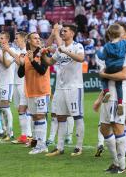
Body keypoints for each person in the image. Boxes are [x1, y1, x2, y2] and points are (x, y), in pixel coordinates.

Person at [42, 24, 85, 157]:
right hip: (60, 87)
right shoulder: (59, 49)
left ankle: (78, 147)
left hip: (74, 87)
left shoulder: (78, 46)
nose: (62, 33)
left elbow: (81, 58)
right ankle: (59, 147)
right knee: (60, 116)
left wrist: (65, 51)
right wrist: (43, 55)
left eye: (65, 31)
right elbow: (50, 62)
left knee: (77, 116)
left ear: (72, 33)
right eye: (61, 31)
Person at [18, 32, 50, 154]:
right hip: (30, 91)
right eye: (34, 38)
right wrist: (22, 63)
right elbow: (20, 74)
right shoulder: (26, 55)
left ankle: (42, 145)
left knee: (41, 116)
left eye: (38, 38)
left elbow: (42, 71)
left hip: (42, 90)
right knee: (36, 117)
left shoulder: (44, 53)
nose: (37, 40)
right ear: (29, 41)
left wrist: (32, 61)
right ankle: (39, 143)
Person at [1, 31, 33, 144]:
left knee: (25, 109)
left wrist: (8, 50)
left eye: (17, 38)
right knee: (20, 110)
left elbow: (21, 63)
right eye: (15, 38)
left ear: (24, 39)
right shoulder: (18, 51)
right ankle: (24, 136)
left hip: (24, 83)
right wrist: (4, 53)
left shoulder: (26, 51)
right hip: (15, 83)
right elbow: (7, 64)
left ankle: (28, 135)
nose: (15, 40)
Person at [0, 31, 15, 141]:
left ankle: (10, 132)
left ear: (7, 39)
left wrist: (2, 54)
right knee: (0, 107)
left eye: (2, 38)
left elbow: (6, 64)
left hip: (7, 82)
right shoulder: (0, 51)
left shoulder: (12, 51)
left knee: (5, 107)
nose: (0, 40)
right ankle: (5, 130)